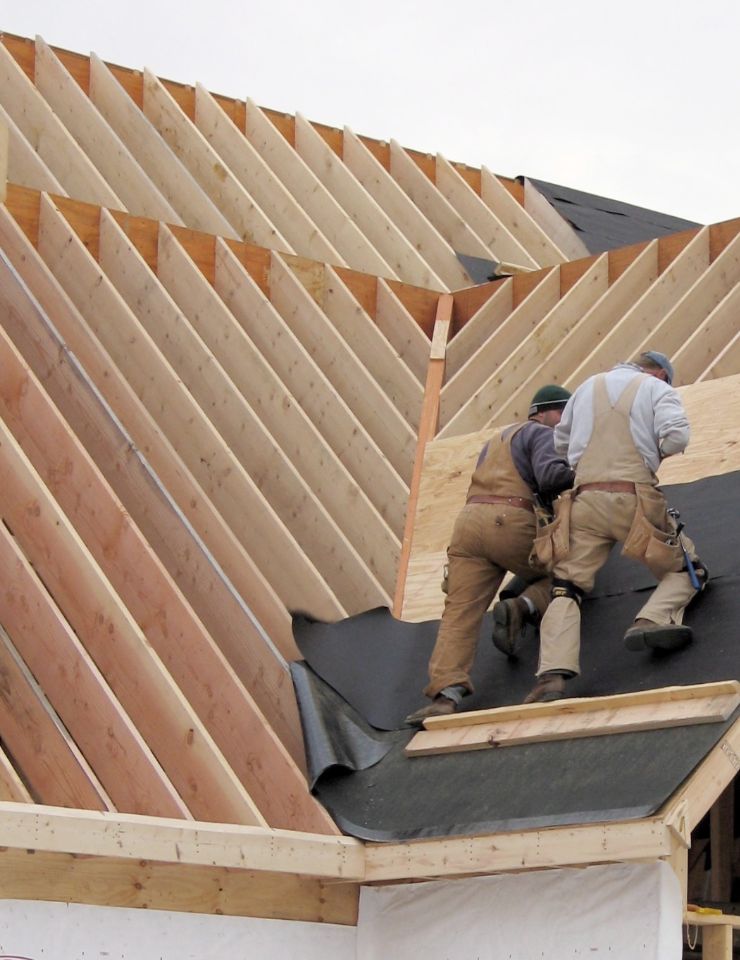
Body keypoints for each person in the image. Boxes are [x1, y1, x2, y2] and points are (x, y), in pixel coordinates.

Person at [524, 351, 707, 704]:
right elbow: (677, 438)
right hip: (633, 496)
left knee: (565, 586)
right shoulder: (657, 390)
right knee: (687, 567)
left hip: (585, 500)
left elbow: (561, 444)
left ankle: (551, 675)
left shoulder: (585, 388)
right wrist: (650, 453)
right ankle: (652, 620)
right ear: (660, 374)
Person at [405, 385, 574, 726]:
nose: (565, 423)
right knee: (568, 572)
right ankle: (522, 607)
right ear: (541, 413)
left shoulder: (498, 440)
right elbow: (550, 476)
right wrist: (585, 473)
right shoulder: (542, 434)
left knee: (460, 612)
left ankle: (445, 695)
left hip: (467, 526)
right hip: (510, 521)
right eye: (562, 414)